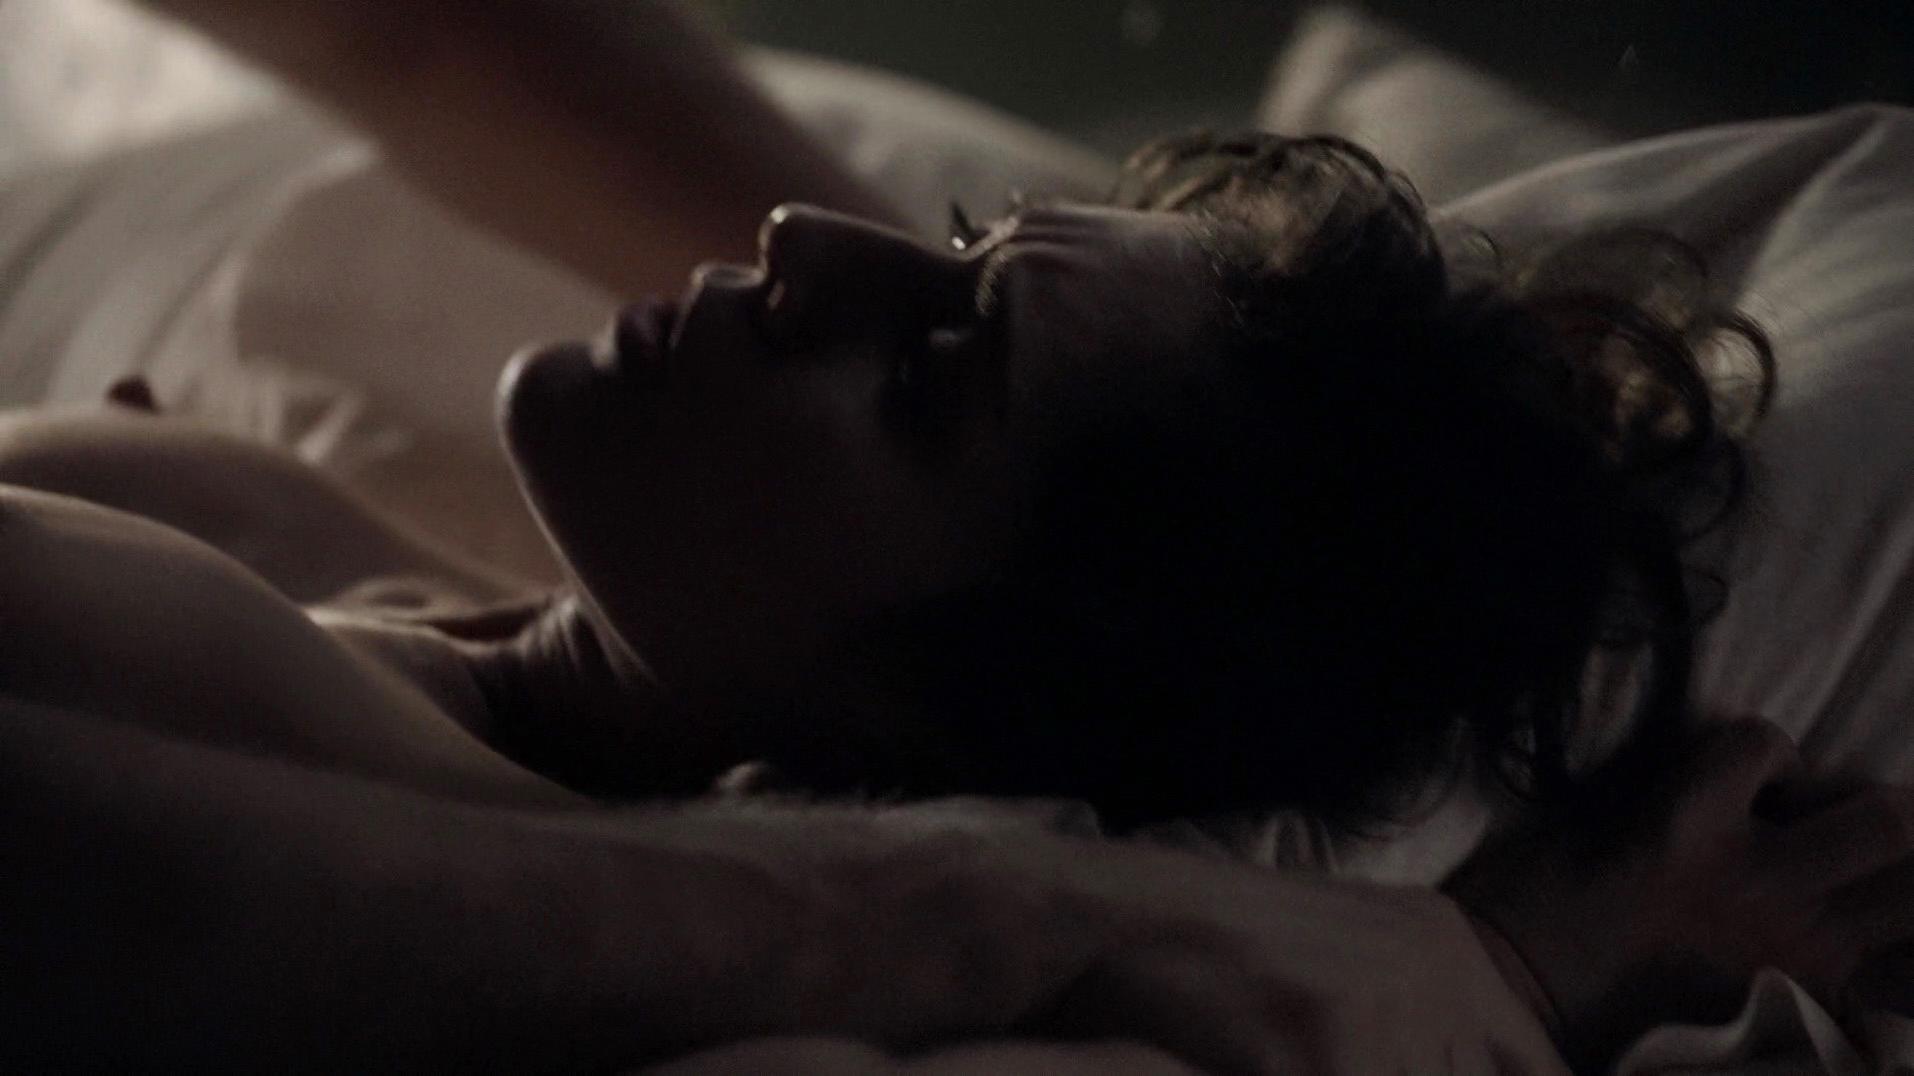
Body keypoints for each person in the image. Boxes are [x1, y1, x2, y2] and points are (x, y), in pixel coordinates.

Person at [2, 0, 1912, 1071]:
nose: (799, 243)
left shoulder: (481, 869)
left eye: (929, 373)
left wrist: (1506, 984)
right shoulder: (341, 565)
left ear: (957, 718)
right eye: (954, 253)